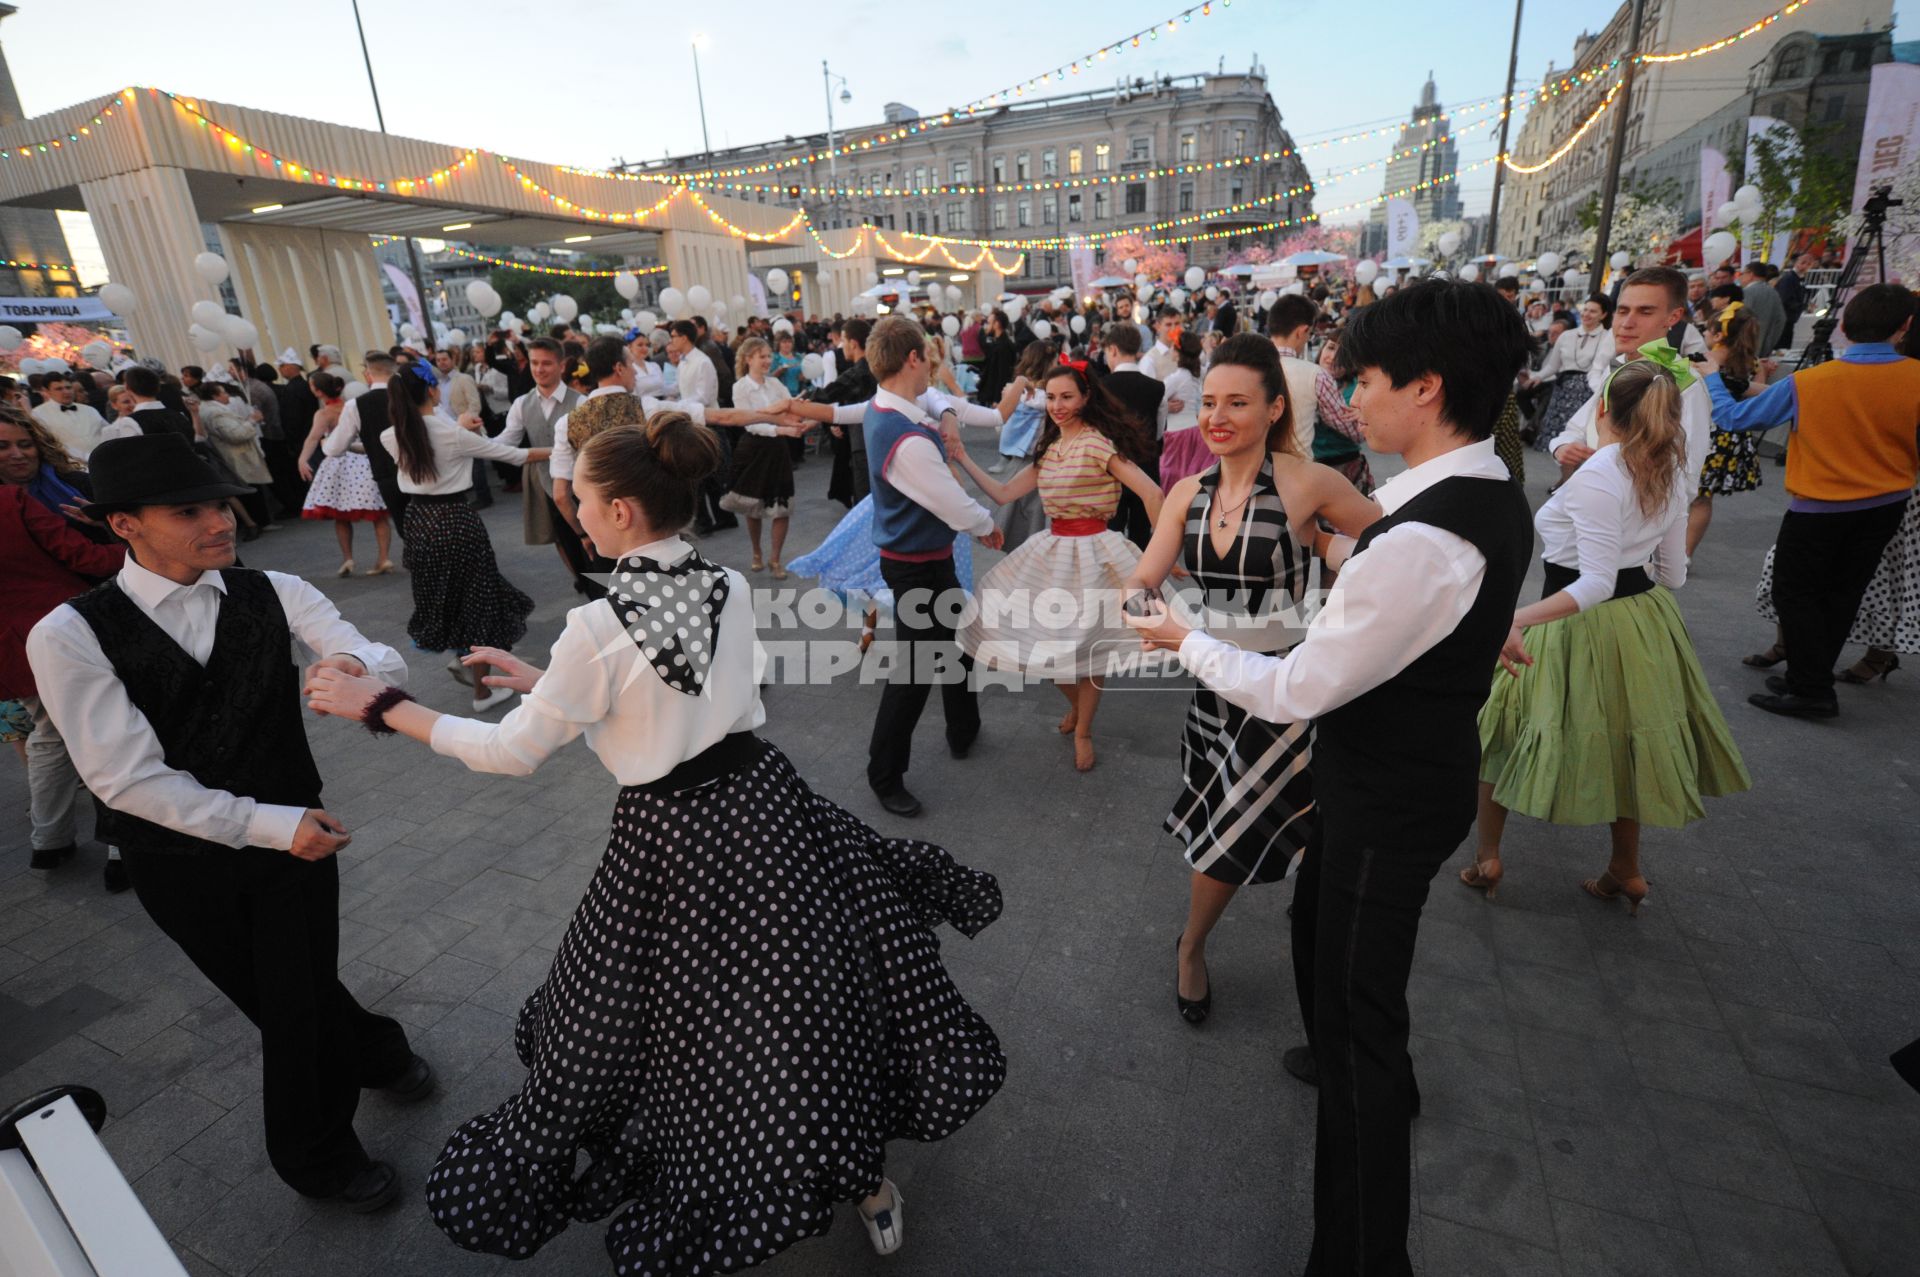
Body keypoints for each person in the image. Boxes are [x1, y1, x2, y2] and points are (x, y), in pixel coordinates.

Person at [307, 414, 1006, 1272]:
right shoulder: (724, 581)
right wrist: (546, 684)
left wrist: (382, 707)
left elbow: (510, 751)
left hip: (675, 846)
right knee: (807, 1007)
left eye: (585, 500)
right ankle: (866, 1179)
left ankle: (819, 1170)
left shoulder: (596, 628)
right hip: (765, 812)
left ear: (626, 512)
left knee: (688, 1024)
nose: (573, 510)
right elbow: (689, 693)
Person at [1125, 280, 1535, 1277]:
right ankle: (1334, 1045)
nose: (1351, 397)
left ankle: (1359, 1253)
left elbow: (1296, 685)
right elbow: (1381, 556)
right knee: (1317, 918)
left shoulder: (1426, 536)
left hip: (1383, 789)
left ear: (1427, 388)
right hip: (1401, 770)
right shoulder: (1460, 497)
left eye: (1367, 380)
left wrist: (1185, 639)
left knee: (1366, 1034)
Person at [27, 433, 431, 1212]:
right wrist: (271, 824)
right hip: (178, 860)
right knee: (281, 992)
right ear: (125, 525)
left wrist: (359, 669)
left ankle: (315, 1154)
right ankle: (378, 1051)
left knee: (293, 998)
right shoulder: (70, 634)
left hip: (298, 842)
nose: (220, 520)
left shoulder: (272, 589)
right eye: (189, 509)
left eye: (219, 501)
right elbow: (123, 776)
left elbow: (372, 653)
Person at [1123, 335, 1379, 1024]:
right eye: (1209, 402)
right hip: (1214, 683)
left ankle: (1196, 944)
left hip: (1289, 684)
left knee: (1237, 828)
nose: (1217, 416)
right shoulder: (1186, 491)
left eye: (1238, 402)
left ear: (1273, 409)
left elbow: (1397, 548)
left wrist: (1329, 548)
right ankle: (1193, 947)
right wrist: (1142, 608)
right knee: (1228, 825)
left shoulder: (1307, 480)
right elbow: (1144, 576)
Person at [1466, 352, 1751, 910]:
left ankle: (1489, 857)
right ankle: (1626, 867)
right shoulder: (1670, 464)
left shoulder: (1602, 470)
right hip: (1642, 620)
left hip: (1573, 619)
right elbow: (1672, 573)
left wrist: (1510, 618)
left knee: (1503, 729)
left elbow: (1593, 582)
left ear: (1601, 407)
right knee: (1628, 739)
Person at [1697, 283, 1920, 718]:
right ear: (1904, 327)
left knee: (1796, 595)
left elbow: (1735, 418)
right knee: (1842, 594)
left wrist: (1711, 379)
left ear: (1842, 326)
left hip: (1819, 506)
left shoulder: (1812, 381)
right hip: (1886, 502)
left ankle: (1812, 688)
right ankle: (1807, 673)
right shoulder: (1915, 376)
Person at [955, 363, 1164, 773]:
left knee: (1091, 650)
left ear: (1086, 397)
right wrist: (961, 455)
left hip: (1096, 555)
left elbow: (1153, 492)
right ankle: (1079, 711)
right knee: (1043, 646)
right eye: (1051, 397)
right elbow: (1002, 491)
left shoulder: (1098, 444)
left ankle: (1083, 729)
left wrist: (1161, 553)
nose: (1058, 405)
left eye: (1067, 396)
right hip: (1052, 554)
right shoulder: (1050, 448)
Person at [860, 317, 1003, 816]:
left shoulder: (889, 405)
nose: (934, 366)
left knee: (960, 639)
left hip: (923, 558)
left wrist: (944, 411)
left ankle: (964, 731)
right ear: (913, 360)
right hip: (914, 566)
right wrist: (987, 525)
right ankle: (884, 774)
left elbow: (939, 402)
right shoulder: (907, 438)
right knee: (915, 672)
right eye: (928, 356)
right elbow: (952, 503)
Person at [380, 362, 548, 710]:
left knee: (449, 594)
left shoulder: (391, 435)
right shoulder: (450, 434)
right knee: (478, 598)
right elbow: (515, 455)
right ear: (431, 390)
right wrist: (561, 450)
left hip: (419, 520)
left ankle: (465, 659)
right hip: (455, 519)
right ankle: (482, 692)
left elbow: (435, 434)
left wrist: (461, 427)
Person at [1, 421, 125, 883]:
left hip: (14, 646)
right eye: (3, 447)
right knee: (106, 730)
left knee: (49, 735)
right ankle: (120, 849)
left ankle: (49, 841)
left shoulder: (55, 488)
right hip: (65, 631)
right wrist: (141, 545)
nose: (17, 454)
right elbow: (86, 559)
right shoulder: (13, 503)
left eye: (23, 443)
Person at [1550, 268, 1712, 489]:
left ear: (1673, 317)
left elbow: (1686, 477)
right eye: (1623, 310)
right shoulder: (1615, 368)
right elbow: (1578, 427)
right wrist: (1563, 446)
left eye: (1645, 312)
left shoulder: (1684, 383)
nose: (1627, 323)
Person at [720, 335, 811, 577]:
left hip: (777, 449)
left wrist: (802, 408)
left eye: (769, 356)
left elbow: (789, 405)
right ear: (748, 358)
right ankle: (757, 552)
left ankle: (775, 559)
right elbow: (750, 423)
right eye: (762, 356)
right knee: (754, 507)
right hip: (754, 449)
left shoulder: (775, 384)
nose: (767, 361)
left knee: (781, 506)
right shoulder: (740, 387)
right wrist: (780, 428)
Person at [1688, 303, 1766, 556]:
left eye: (1708, 330)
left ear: (1719, 335)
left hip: (1699, 432)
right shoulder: (1752, 364)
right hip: (1730, 437)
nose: (1705, 334)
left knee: (1679, 493)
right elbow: (1758, 401)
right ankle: (1685, 554)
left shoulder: (1700, 361)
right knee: (1703, 498)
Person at [298, 372, 392, 577]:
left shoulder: (324, 414)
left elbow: (313, 439)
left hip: (338, 463)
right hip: (365, 462)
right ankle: (383, 557)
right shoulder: (354, 405)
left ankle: (348, 558)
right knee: (378, 513)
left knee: (340, 514)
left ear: (317, 390)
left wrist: (302, 459)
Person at [323, 352, 409, 538]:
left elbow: (335, 449)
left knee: (405, 527)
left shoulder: (356, 405)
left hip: (388, 474)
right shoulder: (412, 395)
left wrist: (326, 444)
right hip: (422, 469)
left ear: (367, 374)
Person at [1524, 295, 1610, 452]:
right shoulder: (1566, 336)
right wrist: (1537, 377)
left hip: (1587, 392)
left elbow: (1602, 368)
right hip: (1563, 390)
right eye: (1585, 310)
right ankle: (1564, 476)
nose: (1587, 314)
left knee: (1577, 440)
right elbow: (1553, 366)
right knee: (1558, 442)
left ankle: (1569, 475)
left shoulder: (1607, 338)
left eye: (1593, 311)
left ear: (1603, 315)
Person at [1154, 332, 1210, 490]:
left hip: (1178, 434)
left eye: (1173, 346)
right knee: (1190, 477)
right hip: (1195, 431)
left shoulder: (1177, 378)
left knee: (1172, 478)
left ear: (1178, 352)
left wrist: (1166, 406)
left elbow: (1155, 400)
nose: (1170, 349)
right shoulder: (1197, 374)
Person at [32, 371, 108, 460]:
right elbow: (48, 443)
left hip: (102, 460)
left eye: (68, 387)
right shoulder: (38, 414)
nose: (66, 392)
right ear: (46, 391)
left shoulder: (89, 410)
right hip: (68, 465)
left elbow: (107, 431)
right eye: (59, 389)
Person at [1737, 261, 1787, 354]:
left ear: (1750, 274)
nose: (1740, 277)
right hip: (1766, 344)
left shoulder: (1747, 292)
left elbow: (1741, 317)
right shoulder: (1774, 292)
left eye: (1742, 274)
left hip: (1746, 344)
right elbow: (1781, 319)